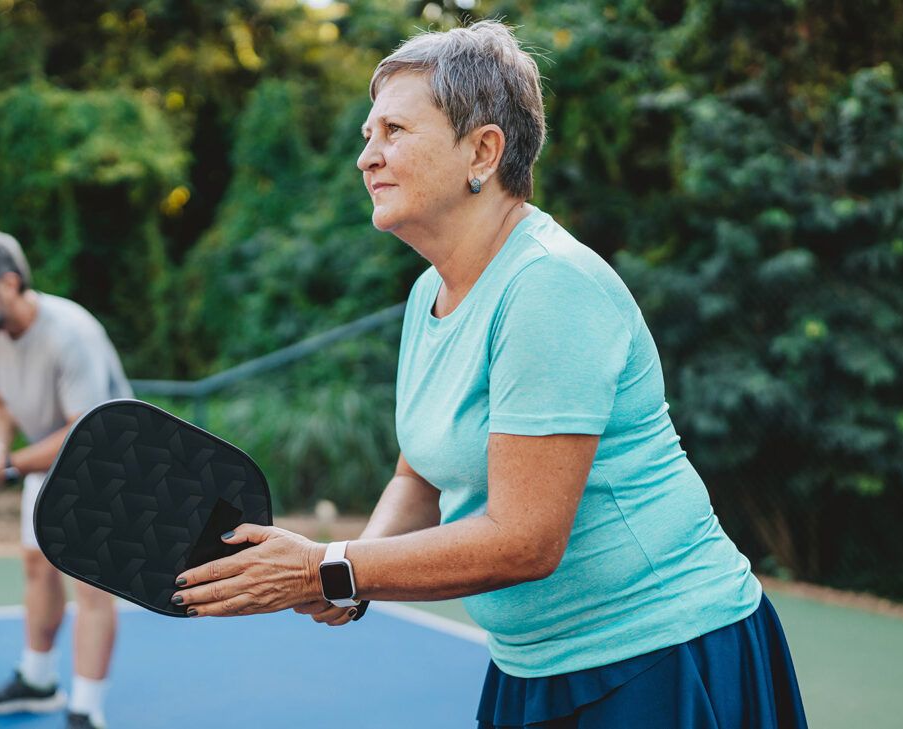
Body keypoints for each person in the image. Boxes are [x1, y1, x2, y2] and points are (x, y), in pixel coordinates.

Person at [167, 21, 808, 729]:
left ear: (483, 150)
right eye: (366, 134)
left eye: (394, 131)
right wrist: (349, 577)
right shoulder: (428, 293)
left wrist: (331, 564)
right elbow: (419, 474)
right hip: (532, 664)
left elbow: (525, 539)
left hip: (659, 658)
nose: (367, 157)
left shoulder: (549, 285)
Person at [0, 229, 132, 729]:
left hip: (102, 461)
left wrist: (4, 468)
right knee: (37, 566)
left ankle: (86, 711)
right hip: (44, 459)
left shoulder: (71, 332)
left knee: (89, 585)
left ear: (7, 283)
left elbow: (84, 427)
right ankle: (38, 680)